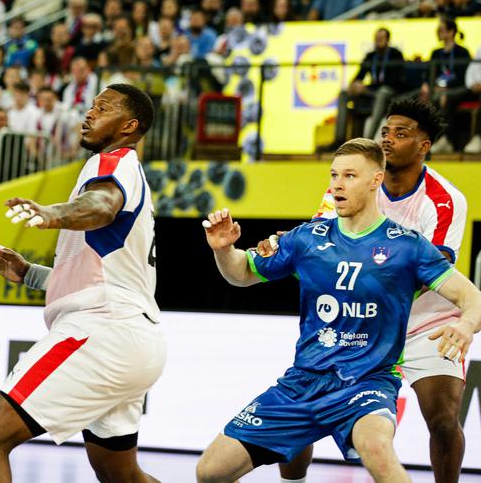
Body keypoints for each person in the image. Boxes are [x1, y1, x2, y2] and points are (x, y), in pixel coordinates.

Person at [196, 138, 481, 483]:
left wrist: (466, 325)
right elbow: (241, 274)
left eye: (349, 176)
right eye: (334, 175)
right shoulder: (307, 238)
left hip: (367, 382)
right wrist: (224, 250)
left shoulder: (407, 246)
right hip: (303, 382)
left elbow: (471, 297)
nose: (337, 185)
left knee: (377, 450)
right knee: (209, 471)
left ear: (375, 180)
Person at [0, 85, 165, 483]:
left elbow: (102, 205)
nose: (89, 113)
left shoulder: (112, 162)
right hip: (136, 337)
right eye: (91, 106)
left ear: (129, 126)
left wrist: (53, 213)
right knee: (121, 476)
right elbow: (98, 275)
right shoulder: (129, 175)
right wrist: (28, 273)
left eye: (102, 108)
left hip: (103, 331)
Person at [278, 99, 471, 483]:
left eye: (401, 133)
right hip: (357, 321)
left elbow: (429, 274)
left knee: (444, 419)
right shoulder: (352, 183)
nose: (388, 139)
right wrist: (287, 247)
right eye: (385, 131)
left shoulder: (445, 199)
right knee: (299, 407)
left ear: (424, 145)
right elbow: (318, 243)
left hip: (425, 324)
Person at [333, 28, 408, 144]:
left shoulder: (395, 54)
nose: (378, 41)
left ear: (388, 40)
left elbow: (395, 81)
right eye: (376, 38)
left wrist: (366, 89)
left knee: (382, 92)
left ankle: (368, 140)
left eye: (381, 38)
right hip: (371, 90)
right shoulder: (371, 56)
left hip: (389, 90)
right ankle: (339, 139)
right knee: (343, 94)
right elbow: (360, 75)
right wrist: (355, 84)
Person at [429, 17, 473, 153]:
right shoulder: (436, 53)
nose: (438, 33)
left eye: (441, 30)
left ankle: (446, 139)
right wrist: (434, 85)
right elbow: (431, 74)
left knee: (445, 97)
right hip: (439, 90)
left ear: (451, 32)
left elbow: (464, 76)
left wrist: (446, 88)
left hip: (459, 88)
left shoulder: (462, 52)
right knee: (436, 97)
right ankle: (435, 138)